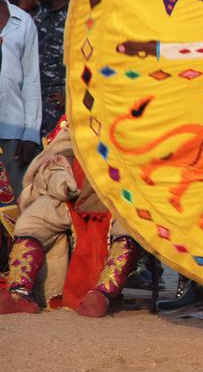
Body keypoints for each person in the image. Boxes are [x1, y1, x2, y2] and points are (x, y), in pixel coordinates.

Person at [0, 120, 141, 316]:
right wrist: (60, 177)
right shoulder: (80, 112)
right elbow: (57, 152)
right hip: (74, 195)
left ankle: (103, 294)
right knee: (33, 219)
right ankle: (19, 292)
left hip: (124, 196)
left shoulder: (144, 112)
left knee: (129, 225)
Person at [0, 0, 41, 199]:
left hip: (14, 130)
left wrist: (30, 134)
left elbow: (31, 81)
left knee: (17, 205)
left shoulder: (22, 22)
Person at [29, 0, 69, 136]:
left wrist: (70, 95)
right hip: (37, 102)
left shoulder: (77, 16)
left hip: (63, 103)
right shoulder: (39, 15)